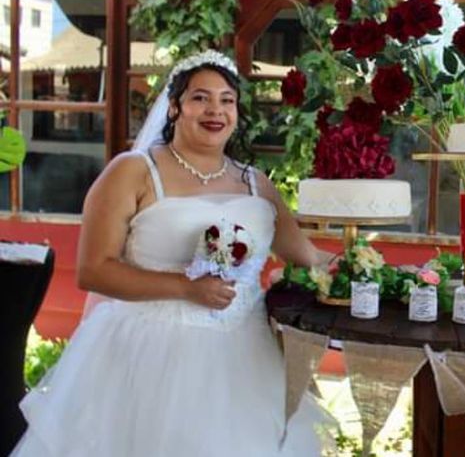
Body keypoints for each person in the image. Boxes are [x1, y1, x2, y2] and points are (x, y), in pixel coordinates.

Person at [12, 50, 334, 456]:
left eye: (226, 100)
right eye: (200, 97)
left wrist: (363, 267)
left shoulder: (257, 183)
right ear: (176, 106)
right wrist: (184, 287)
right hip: (149, 354)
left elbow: (305, 254)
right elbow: (93, 271)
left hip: (246, 358)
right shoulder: (132, 171)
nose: (215, 109)